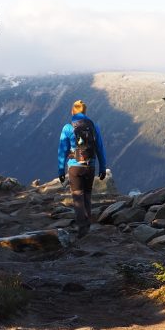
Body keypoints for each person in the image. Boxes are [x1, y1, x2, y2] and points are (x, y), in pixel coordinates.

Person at [57, 99, 107, 238]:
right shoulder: (93, 126)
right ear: (85, 111)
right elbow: (100, 148)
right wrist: (102, 167)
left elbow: (62, 150)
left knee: (78, 197)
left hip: (75, 167)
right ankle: (88, 226)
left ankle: (82, 230)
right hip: (90, 166)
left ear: (73, 111)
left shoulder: (68, 128)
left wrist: (61, 170)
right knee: (87, 196)